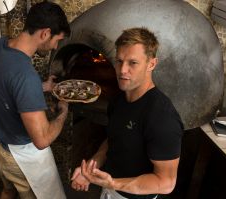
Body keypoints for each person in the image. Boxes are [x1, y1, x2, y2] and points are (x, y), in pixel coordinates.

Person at [71, 27, 184, 199]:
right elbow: (114, 139)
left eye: (133, 63)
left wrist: (114, 183)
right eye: (119, 61)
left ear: (151, 64)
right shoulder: (118, 100)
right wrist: (91, 169)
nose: (122, 70)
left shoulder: (162, 116)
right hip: (109, 190)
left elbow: (166, 183)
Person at [0, 1, 71, 199]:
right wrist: (63, 111)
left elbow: (6, 87)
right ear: (45, 33)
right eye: (57, 40)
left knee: (8, 191)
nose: (56, 46)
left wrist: (43, 87)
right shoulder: (25, 75)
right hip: (22, 158)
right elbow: (42, 139)